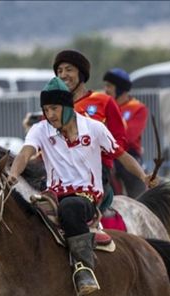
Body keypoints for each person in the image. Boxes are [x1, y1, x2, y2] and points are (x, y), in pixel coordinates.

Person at [6, 78, 154, 296]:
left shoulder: (94, 128)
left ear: (68, 106)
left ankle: (84, 268)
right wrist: (13, 174)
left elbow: (121, 156)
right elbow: (25, 153)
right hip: (52, 196)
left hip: (87, 196)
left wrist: (143, 176)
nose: (50, 114)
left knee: (71, 208)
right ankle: (12, 282)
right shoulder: (40, 130)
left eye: (54, 108)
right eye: (46, 109)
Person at [52, 49, 144, 202]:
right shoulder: (53, 106)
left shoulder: (104, 101)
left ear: (81, 75)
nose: (62, 75)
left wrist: (103, 156)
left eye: (69, 70)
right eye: (59, 71)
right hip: (61, 171)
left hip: (95, 171)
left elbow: (119, 138)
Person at [103, 68, 149, 198]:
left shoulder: (138, 108)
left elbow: (128, 136)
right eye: (105, 85)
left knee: (130, 173)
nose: (105, 89)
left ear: (120, 89)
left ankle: (141, 201)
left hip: (128, 153)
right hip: (106, 152)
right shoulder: (104, 106)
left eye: (109, 86)